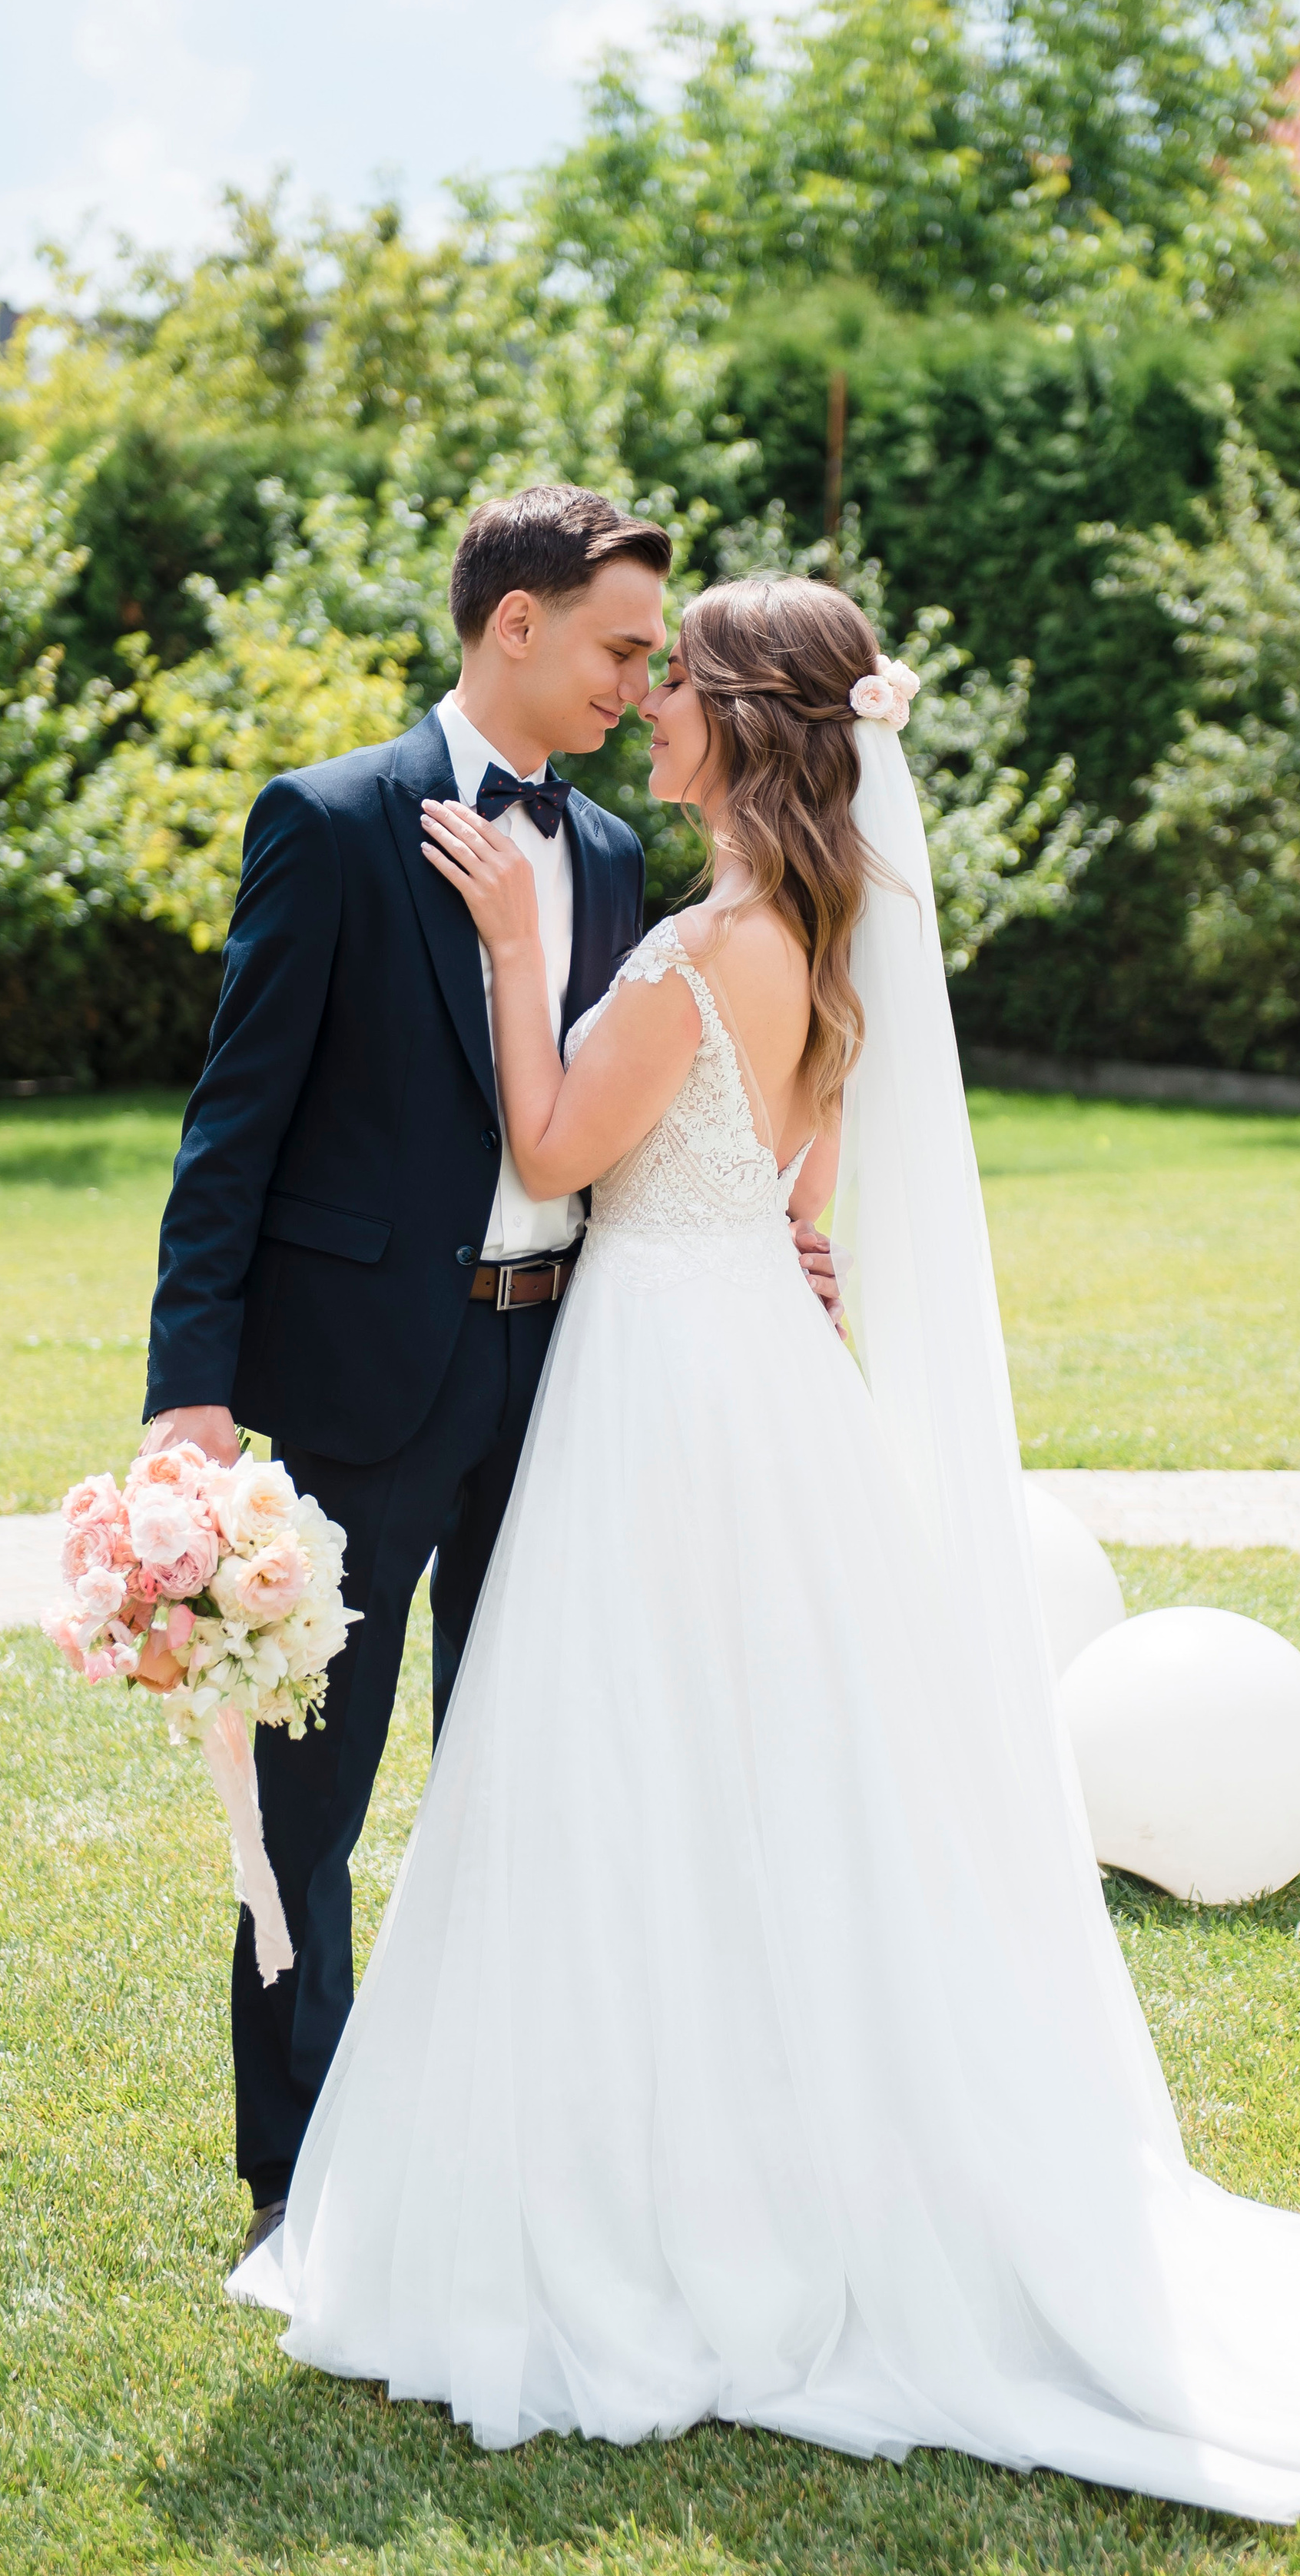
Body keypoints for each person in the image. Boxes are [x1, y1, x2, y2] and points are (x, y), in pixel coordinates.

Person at [229, 573, 1300, 2531]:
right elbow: (802, 1191)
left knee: (627, 1776)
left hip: (659, 1391)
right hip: (759, 1378)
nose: (648, 701)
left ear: (739, 725)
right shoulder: (827, 943)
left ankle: (644, 2188)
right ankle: (742, 2159)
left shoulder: (704, 943)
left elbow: (556, 1141)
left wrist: (517, 948)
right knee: (758, 1788)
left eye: (676, 681)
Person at [140, 487, 839, 2271]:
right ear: (512, 623)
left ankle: (518, 2157)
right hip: (359, 1385)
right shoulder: (328, 822)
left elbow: (642, 1115)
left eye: (658, 660)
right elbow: (232, 1132)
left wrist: (769, 1246)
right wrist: (188, 1391)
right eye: (620, 647)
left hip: (576, 1382)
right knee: (312, 1799)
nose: (641, 683)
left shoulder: (606, 855)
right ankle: (295, 2176)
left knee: (541, 1768)